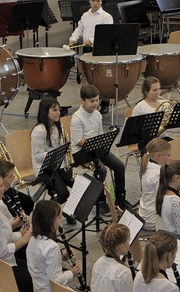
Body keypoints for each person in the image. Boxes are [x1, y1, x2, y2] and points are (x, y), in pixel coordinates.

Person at [26, 200, 89, 292]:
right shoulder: (51, 247)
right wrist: (72, 272)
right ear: (50, 221)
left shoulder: (33, 240)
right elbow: (55, 281)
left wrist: (61, 256)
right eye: (59, 218)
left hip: (39, 291)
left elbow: (41, 266)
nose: (61, 221)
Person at [71, 84, 127, 213]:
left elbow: (100, 133)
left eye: (97, 100)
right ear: (82, 101)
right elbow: (77, 140)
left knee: (119, 166)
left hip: (96, 148)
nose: (95, 104)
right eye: (91, 101)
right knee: (101, 171)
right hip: (81, 152)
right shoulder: (77, 118)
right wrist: (94, 143)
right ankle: (100, 201)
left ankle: (120, 199)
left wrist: (103, 141)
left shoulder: (97, 114)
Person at [68, 0, 114, 114]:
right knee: (89, 77)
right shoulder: (85, 15)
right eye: (93, 0)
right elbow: (80, 28)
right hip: (86, 50)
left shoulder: (106, 17)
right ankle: (88, 102)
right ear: (89, 1)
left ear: (101, 2)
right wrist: (73, 39)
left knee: (101, 78)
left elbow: (106, 34)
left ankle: (105, 103)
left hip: (100, 50)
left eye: (98, 1)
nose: (95, 3)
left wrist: (92, 41)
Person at [31, 97, 75, 223]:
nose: (58, 112)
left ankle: (63, 210)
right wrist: (57, 152)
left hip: (58, 166)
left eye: (59, 109)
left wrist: (64, 151)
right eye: (54, 110)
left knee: (78, 185)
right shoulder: (39, 131)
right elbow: (38, 156)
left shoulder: (58, 126)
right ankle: (44, 216)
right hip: (44, 169)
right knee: (63, 194)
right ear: (46, 112)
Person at [91, 224, 134, 292]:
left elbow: (93, 290)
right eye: (128, 241)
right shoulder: (123, 272)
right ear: (121, 246)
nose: (129, 244)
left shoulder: (98, 263)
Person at [140, 138, 172, 231]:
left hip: (145, 214)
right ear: (158, 156)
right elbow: (165, 199)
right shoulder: (158, 173)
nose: (171, 158)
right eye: (168, 155)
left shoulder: (148, 165)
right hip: (153, 220)